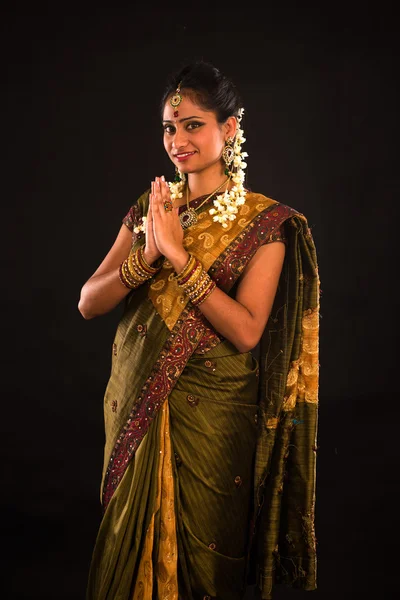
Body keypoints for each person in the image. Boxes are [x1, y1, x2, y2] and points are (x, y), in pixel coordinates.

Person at [78, 61, 320, 600]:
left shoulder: (266, 223)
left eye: (193, 124)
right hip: (137, 402)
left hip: (214, 416)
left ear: (228, 128)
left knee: (208, 557)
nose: (178, 139)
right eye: (170, 125)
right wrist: (146, 256)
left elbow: (249, 331)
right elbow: (89, 302)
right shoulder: (150, 209)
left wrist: (180, 257)